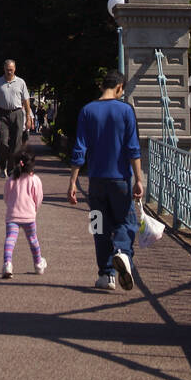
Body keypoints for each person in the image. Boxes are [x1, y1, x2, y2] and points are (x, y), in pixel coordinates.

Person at [67, 70, 142, 291]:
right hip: (120, 180)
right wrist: (139, 179)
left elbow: (79, 149)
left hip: (96, 182)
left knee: (98, 226)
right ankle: (122, 252)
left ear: (103, 86)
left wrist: (72, 182)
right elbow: (133, 149)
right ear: (120, 87)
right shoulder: (126, 110)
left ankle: (106, 275)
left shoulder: (87, 111)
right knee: (126, 222)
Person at [2, 146, 46, 278]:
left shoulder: (11, 179)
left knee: (10, 239)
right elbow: (38, 198)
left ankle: (7, 264)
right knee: (33, 240)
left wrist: (11, 206)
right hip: (29, 216)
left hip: (12, 215)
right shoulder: (35, 180)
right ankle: (38, 263)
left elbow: (6, 196)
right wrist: (34, 209)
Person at [0, 60, 33, 177]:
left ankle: (11, 169)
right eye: (7, 69)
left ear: (15, 69)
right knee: (3, 142)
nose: (9, 71)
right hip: (2, 114)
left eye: (11, 69)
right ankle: (2, 166)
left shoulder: (20, 82)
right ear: (4, 69)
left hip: (17, 113)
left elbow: (26, 101)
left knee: (16, 143)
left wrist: (28, 118)